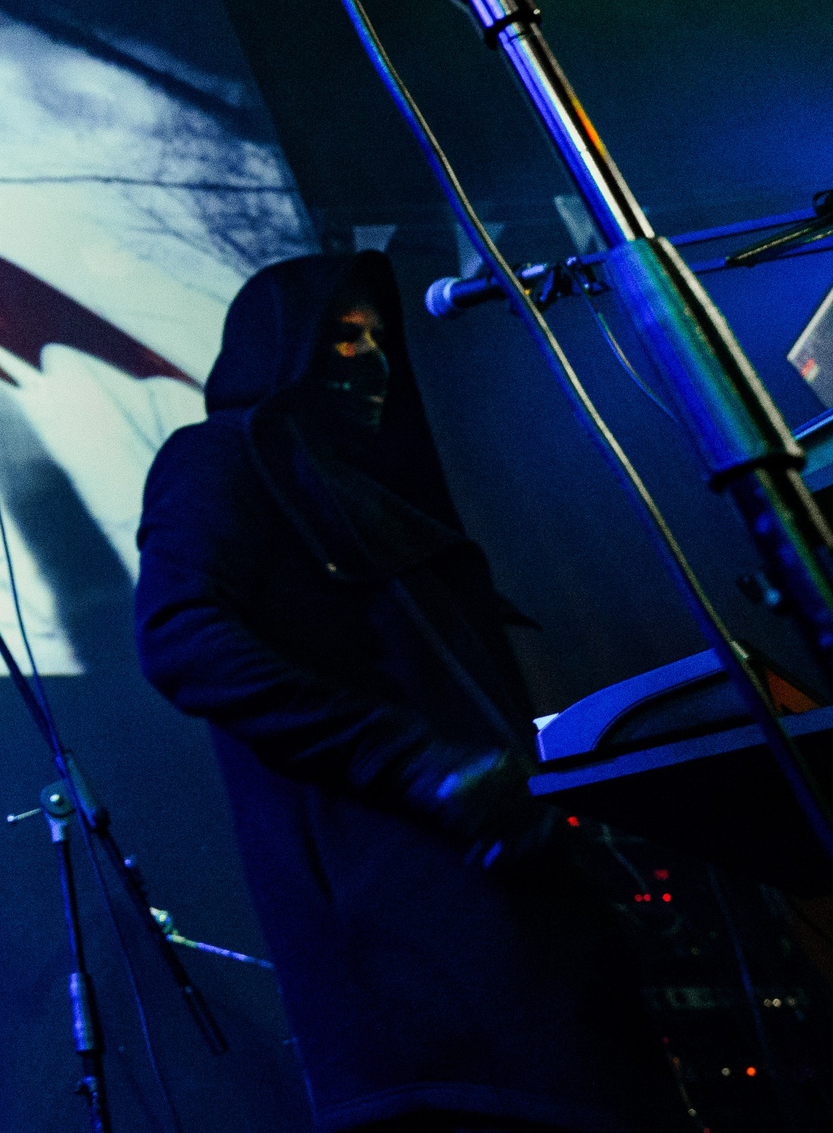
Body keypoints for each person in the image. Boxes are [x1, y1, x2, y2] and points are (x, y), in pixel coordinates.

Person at [134, 252, 675, 1133]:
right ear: (282, 347)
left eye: (379, 337)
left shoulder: (382, 496)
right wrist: (420, 763)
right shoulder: (221, 456)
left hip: (520, 930)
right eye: (341, 335)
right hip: (412, 966)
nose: (371, 356)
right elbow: (182, 638)